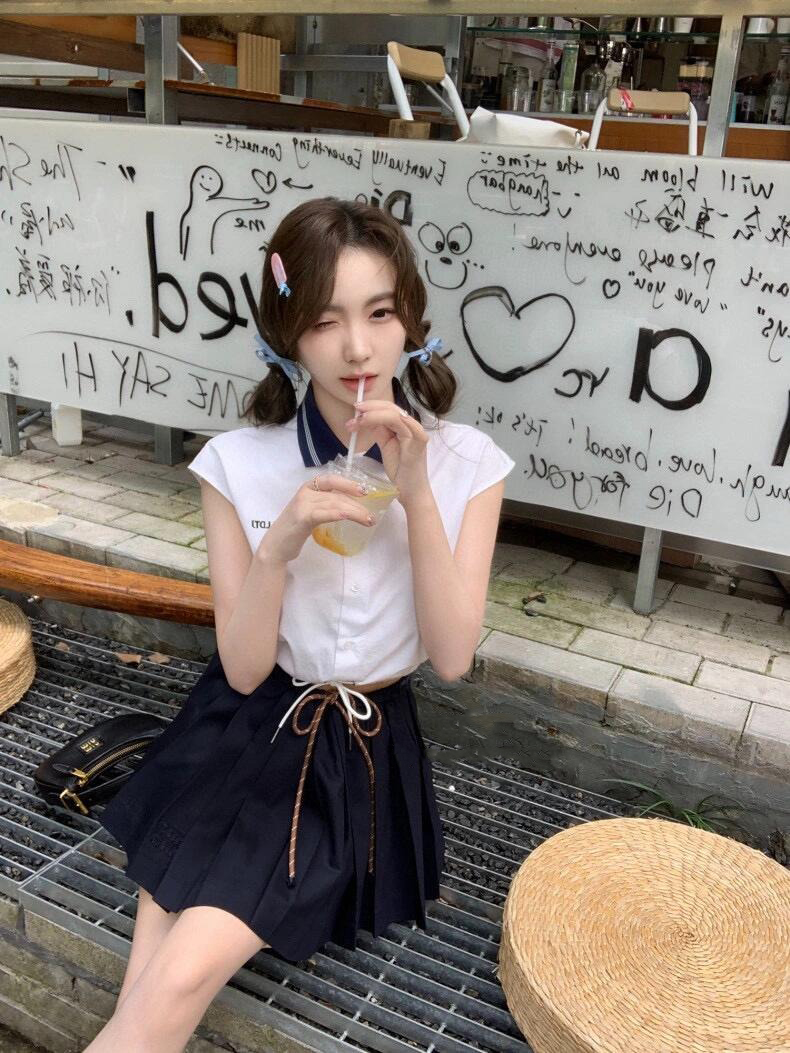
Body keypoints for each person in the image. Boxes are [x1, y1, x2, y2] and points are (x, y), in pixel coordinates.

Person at [89, 198, 515, 1052]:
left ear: (411, 319)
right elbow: (245, 669)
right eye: (325, 321)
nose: (358, 348)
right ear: (288, 335)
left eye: (380, 313)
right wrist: (277, 545)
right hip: (239, 723)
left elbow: (451, 655)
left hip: (348, 752)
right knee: (153, 970)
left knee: (174, 975)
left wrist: (416, 490)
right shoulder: (238, 463)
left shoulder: (466, 462)